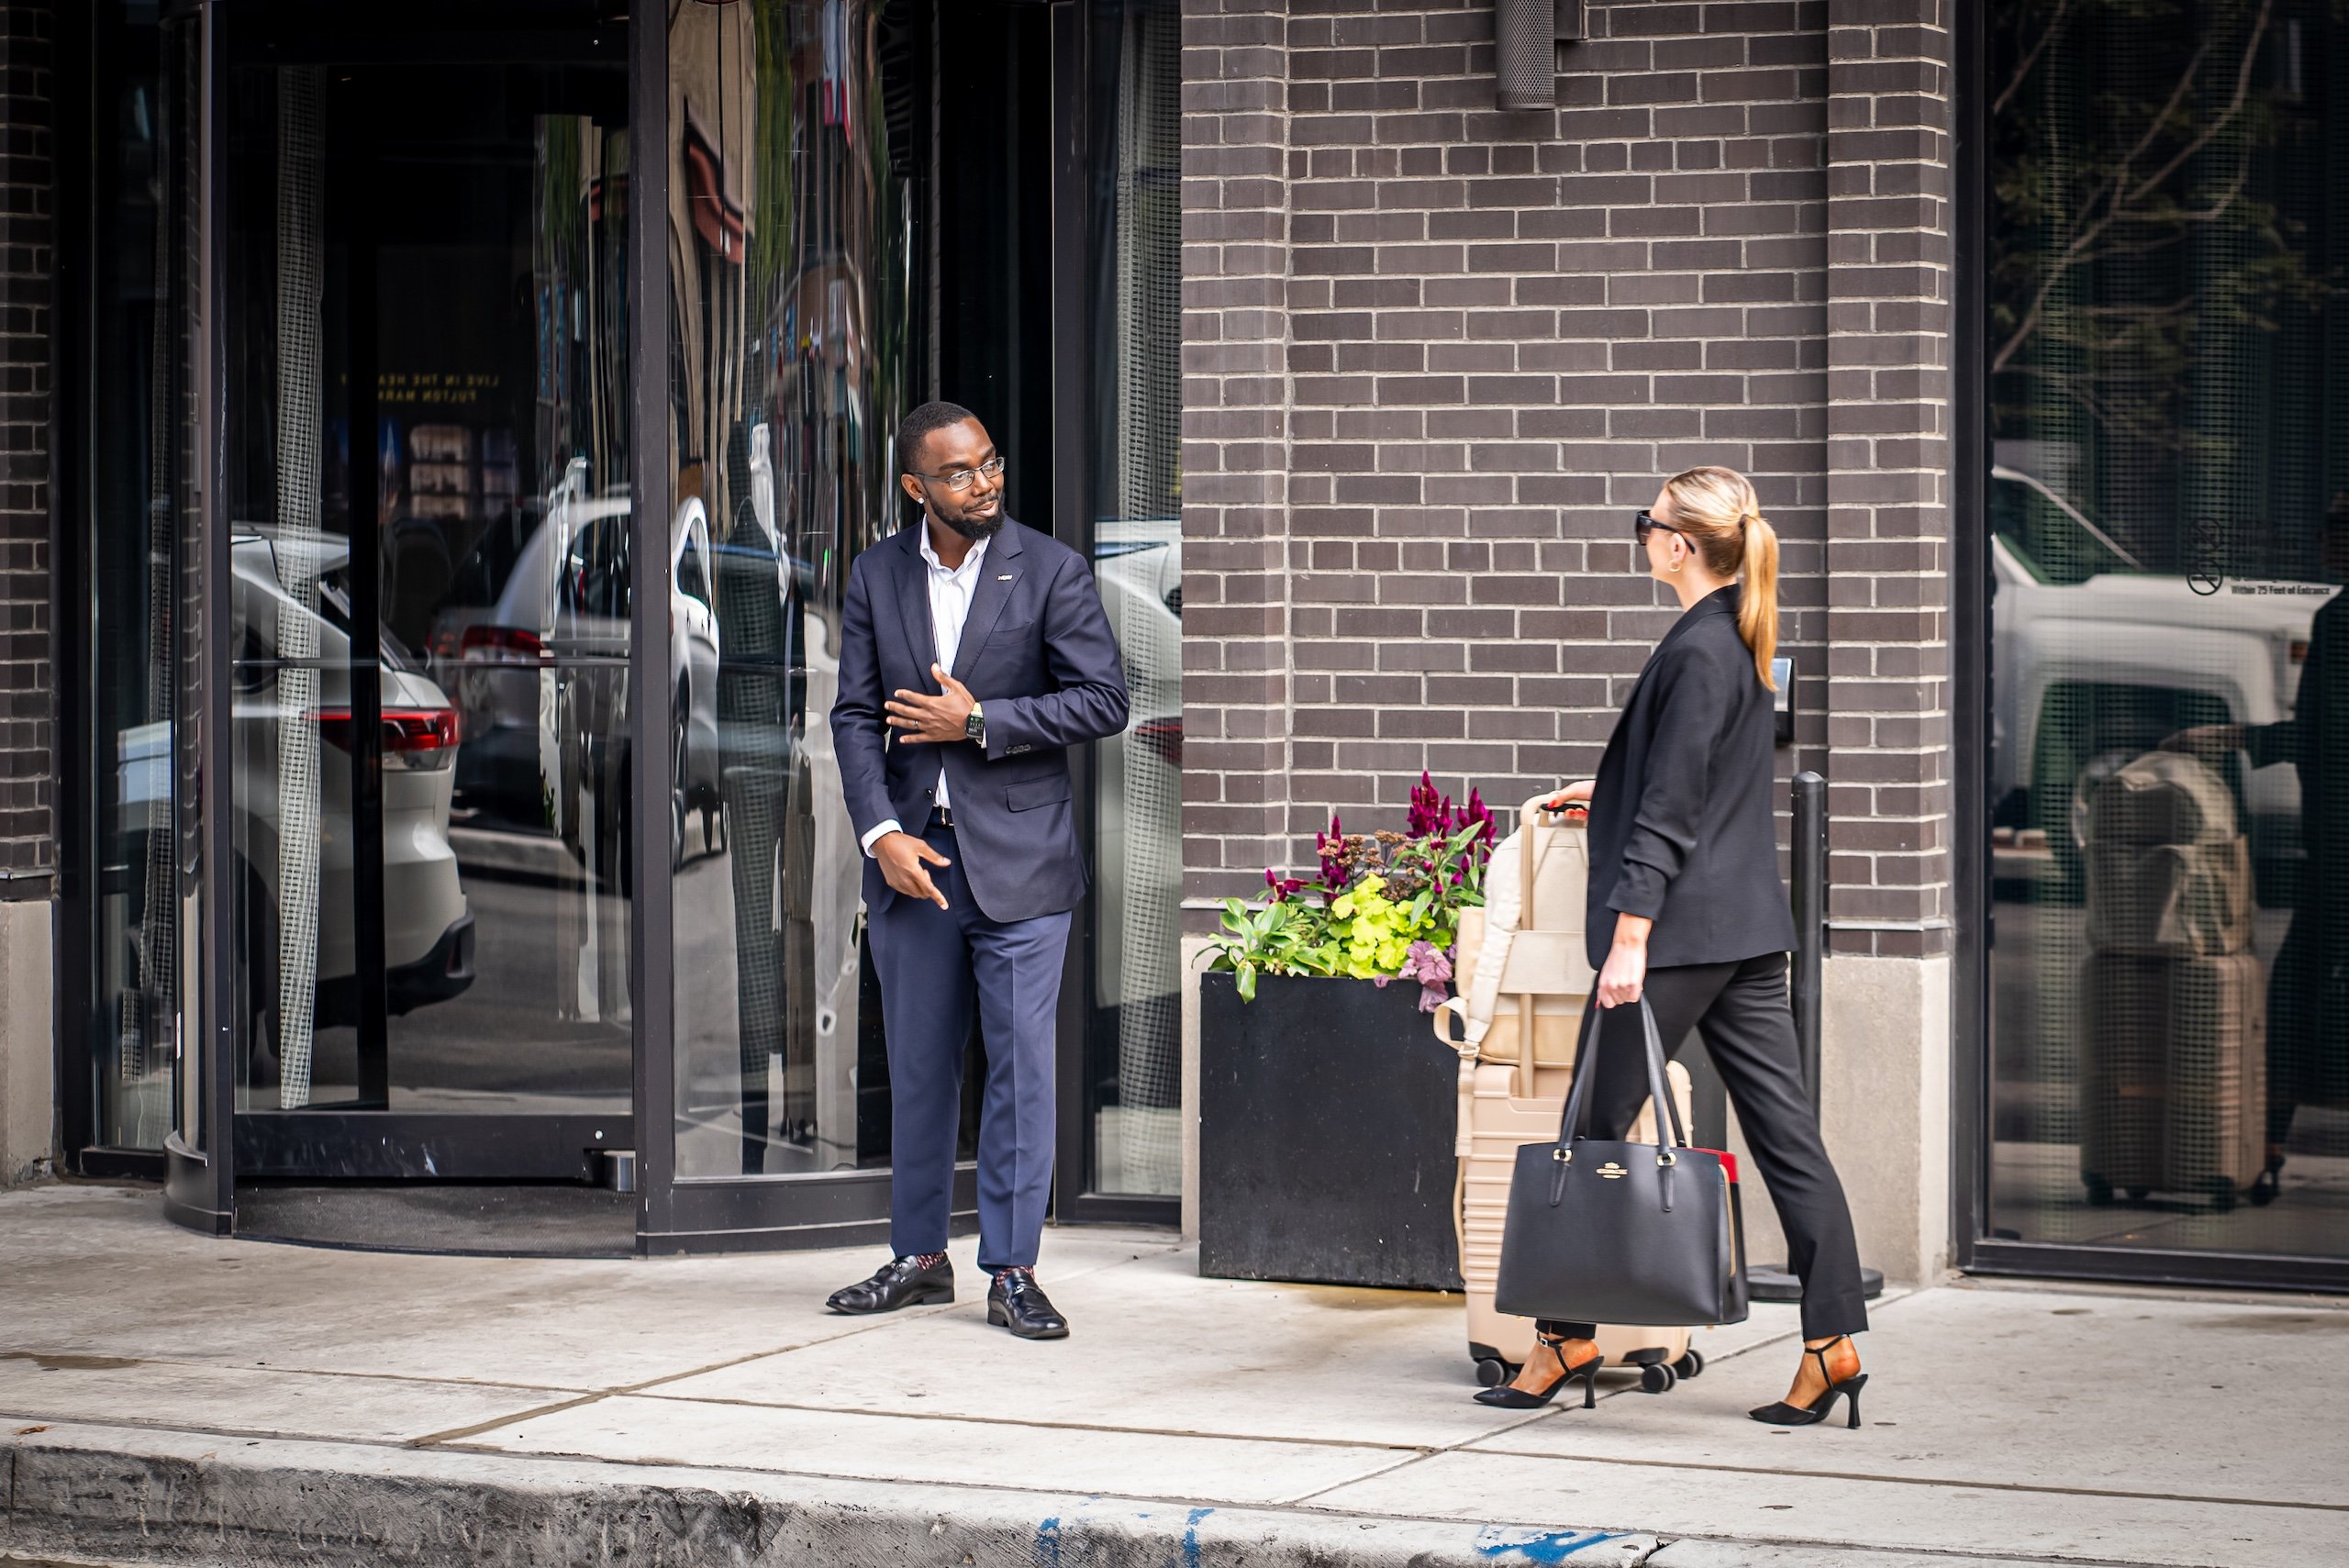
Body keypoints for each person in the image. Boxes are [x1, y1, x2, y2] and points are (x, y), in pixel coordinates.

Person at [1475, 466, 1871, 1427]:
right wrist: (1596, 800)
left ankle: (1561, 1335)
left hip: (1676, 938)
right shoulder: (1739, 631)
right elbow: (1693, 786)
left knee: (1595, 1122)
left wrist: (1630, 936)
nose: (1640, 537)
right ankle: (1832, 1342)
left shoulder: (1699, 649)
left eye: (1644, 524)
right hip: (1742, 934)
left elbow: (1672, 806)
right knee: (1788, 1135)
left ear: (1680, 544)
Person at [824, 401, 1130, 1339]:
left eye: (990, 462)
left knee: (1021, 1073)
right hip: (916, 861)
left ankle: (1013, 1267)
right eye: (959, 472)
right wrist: (880, 831)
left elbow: (1103, 698)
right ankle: (918, 1254)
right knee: (918, 1070)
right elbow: (853, 714)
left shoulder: (1050, 569)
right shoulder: (877, 574)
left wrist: (982, 722)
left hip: (1024, 868)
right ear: (917, 485)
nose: (984, 481)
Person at [2166, 496, 2349, 1200]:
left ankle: (2268, 1141)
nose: (2322, 537)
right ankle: (2268, 1140)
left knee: (2295, 996)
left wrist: (2232, 737)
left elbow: (2329, 738)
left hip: (2339, 853)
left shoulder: (2340, 620)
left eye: (2335, 526)